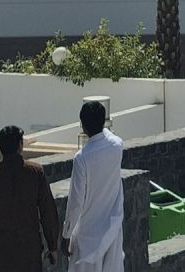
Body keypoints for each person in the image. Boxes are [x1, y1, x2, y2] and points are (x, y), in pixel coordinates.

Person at [0, 125, 60, 271]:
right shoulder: (35, 173)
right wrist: (53, 246)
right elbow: (47, 212)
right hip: (27, 253)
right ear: (20, 146)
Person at [62, 101, 125, 272]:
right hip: (112, 228)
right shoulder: (117, 146)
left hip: (88, 234)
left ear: (82, 125)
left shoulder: (82, 158)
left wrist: (66, 235)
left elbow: (76, 202)